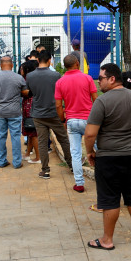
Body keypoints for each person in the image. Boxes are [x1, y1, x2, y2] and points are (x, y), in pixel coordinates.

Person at [84, 63, 131, 250]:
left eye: (101, 78)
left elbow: (89, 134)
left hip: (108, 157)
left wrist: (90, 151)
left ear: (112, 79)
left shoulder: (102, 102)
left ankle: (107, 240)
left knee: (110, 199)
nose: (98, 82)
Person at [26, 50, 73, 179]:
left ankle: (45, 170)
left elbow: (29, 92)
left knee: (42, 142)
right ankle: (72, 165)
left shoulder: (30, 76)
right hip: (54, 113)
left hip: (38, 114)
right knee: (63, 139)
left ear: (38, 61)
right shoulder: (56, 75)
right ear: (49, 60)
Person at [55, 52, 97, 192]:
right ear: (77, 64)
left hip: (72, 120)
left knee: (75, 153)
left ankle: (79, 183)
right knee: (99, 149)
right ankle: (105, 178)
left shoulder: (60, 82)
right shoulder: (87, 78)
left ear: (64, 66)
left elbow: (58, 105)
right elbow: (96, 100)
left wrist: (63, 119)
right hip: (89, 120)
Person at [0, 56, 29, 169]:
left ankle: (2, 161)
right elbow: (25, 92)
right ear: (12, 65)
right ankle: (17, 162)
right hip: (14, 112)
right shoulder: (18, 78)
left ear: (0, 65)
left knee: (0, 136)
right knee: (15, 137)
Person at [19, 59, 40, 164]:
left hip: (29, 107)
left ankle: (38, 157)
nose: (20, 70)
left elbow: (27, 93)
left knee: (33, 132)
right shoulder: (32, 78)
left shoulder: (27, 79)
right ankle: (28, 153)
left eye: (22, 68)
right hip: (29, 106)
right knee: (30, 131)